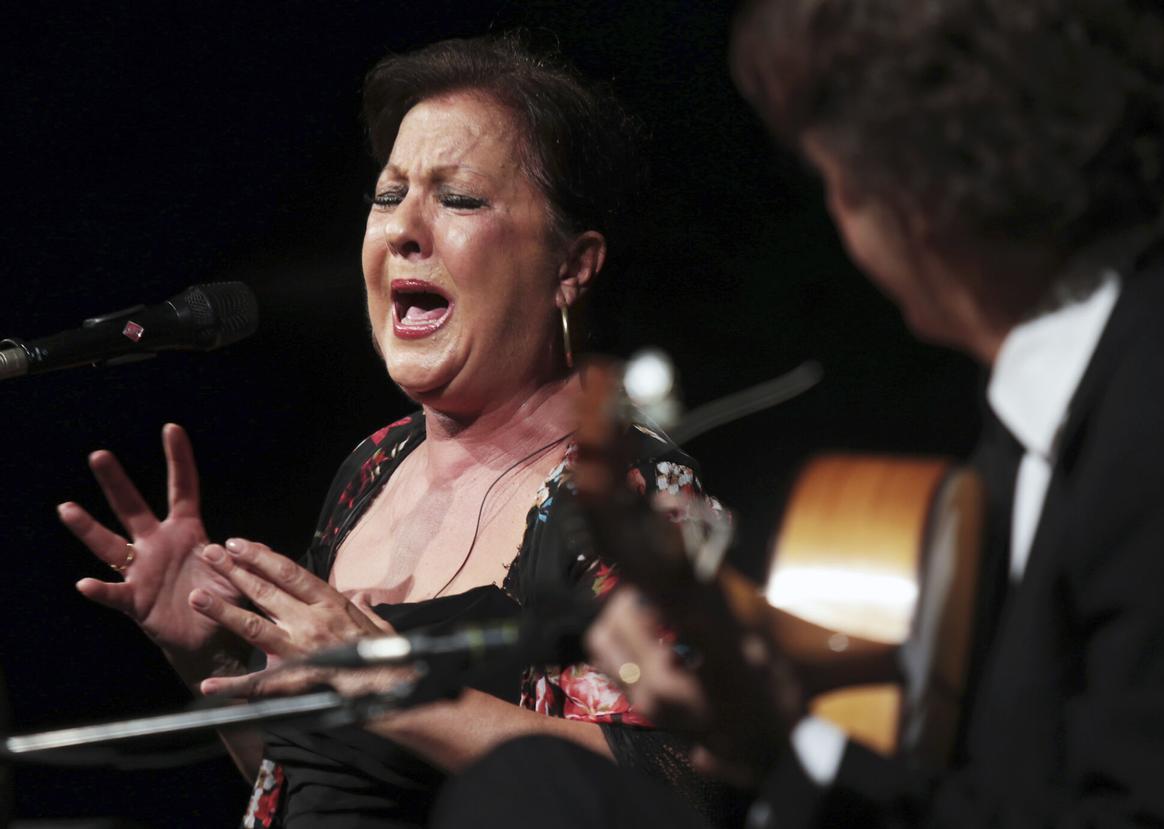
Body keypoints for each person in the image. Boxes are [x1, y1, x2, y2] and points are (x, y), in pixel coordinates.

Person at [430, 2, 1164, 827]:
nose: (837, 214)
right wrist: (780, 738)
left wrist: (792, 752)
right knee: (536, 791)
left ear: (917, 188)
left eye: (833, 177)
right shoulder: (1056, 418)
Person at [57, 33, 727, 829]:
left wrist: (396, 686)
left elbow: (685, 784)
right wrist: (205, 651)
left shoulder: (630, 491)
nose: (404, 230)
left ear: (571, 266)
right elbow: (309, 788)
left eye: (461, 198)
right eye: (388, 195)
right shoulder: (372, 468)